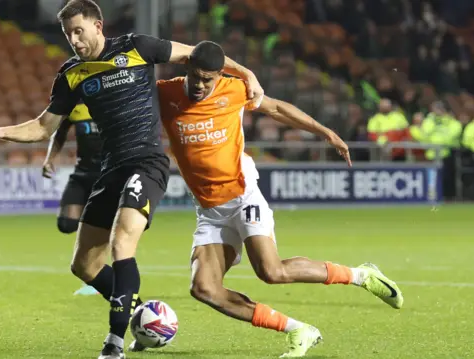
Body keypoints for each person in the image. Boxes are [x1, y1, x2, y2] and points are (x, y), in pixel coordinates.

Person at [0, 1, 264, 358]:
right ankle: (141, 312)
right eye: (68, 35)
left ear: (98, 25)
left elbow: (198, 56)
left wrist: (247, 74)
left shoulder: (136, 47)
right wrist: (0, 132)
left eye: (79, 31)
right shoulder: (71, 75)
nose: (74, 41)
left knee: (122, 241)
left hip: (147, 162)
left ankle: (114, 344)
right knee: (84, 265)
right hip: (110, 169)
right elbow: (44, 126)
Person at [152, 41, 403, 357]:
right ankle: (298, 329)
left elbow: (277, 108)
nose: (201, 85)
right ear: (186, 69)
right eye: (196, 77)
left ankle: (361, 275)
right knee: (204, 288)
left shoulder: (233, 90)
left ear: (220, 76)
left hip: (243, 196)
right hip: (209, 211)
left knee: (272, 272)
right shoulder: (165, 93)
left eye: (208, 79)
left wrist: (326, 132)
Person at [42, 102, 101, 296]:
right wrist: (50, 158)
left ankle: (98, 279)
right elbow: (59, 133)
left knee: (100, 227)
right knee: (67, 223)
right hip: (82, 173)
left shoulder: (111, 100)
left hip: (106, 175)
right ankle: (94, 270)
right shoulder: (74, 106)